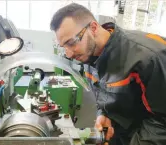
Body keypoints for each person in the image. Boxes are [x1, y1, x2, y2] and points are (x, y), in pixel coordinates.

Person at [50, 3, 166, 145]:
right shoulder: (89, 57)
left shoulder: (148, 58)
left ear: (93, 28)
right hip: (123, 134)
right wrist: (103, 115)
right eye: (63, 47)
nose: (68, 53)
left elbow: (162, 121)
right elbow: (103, 97)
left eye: (71, 42)